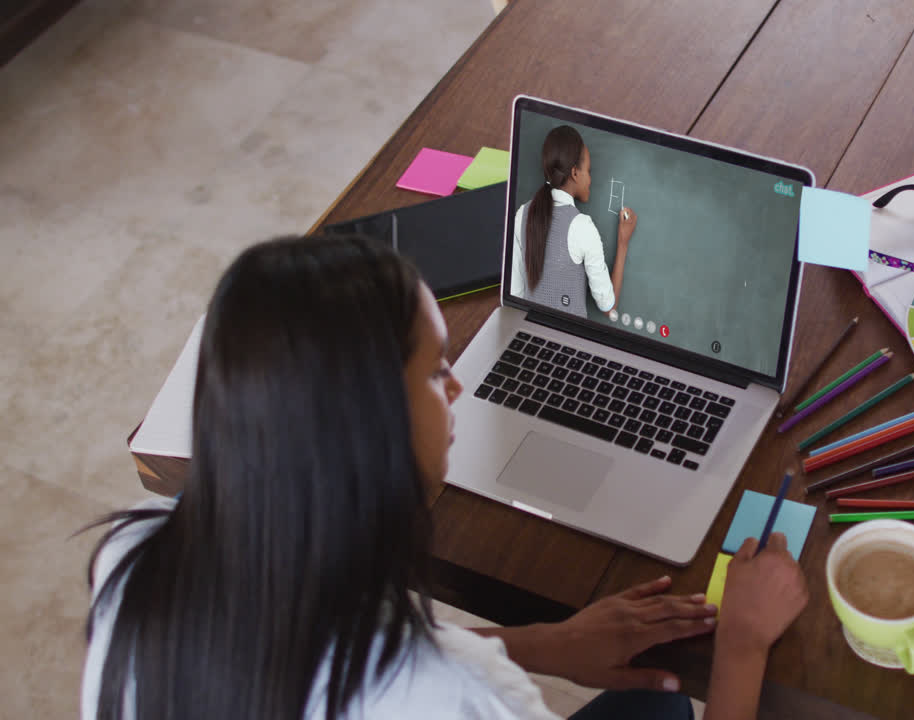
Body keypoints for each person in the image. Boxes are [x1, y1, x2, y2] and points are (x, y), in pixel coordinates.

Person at [82, 235, 808, 720]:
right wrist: (742, 644)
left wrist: (542, 645)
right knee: (668, 702)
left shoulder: (134, 558)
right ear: (371, 430)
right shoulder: (454, 698)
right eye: (435, 371)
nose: (458, 386)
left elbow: (327, 656)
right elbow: (422, 679)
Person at [511, 125, 636, 318]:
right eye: (589, 171)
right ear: (575, 173)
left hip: (528, 331)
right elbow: (608, 307)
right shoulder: (582, 226)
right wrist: (623, 242)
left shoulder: (522, 214)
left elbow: (516, 295)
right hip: (568, 341)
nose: (591, 180)